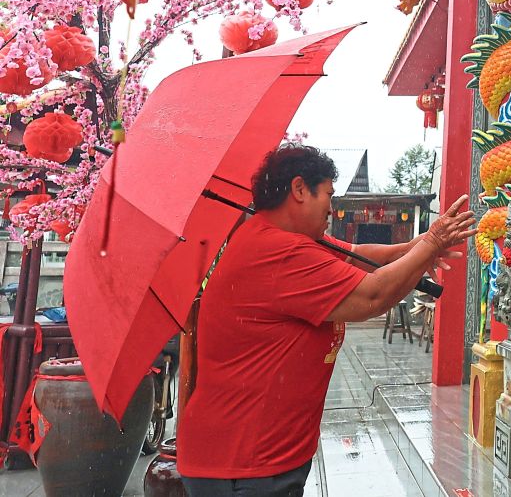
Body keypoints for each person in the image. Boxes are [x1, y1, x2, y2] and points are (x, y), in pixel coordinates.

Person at [177, 144, 476, 496]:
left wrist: (423, 245)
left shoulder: (291, 239)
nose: (332, 209)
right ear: (300, 189)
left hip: (262, 456)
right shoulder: (279, 251)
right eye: (328, 196)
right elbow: (372, 296)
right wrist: (434, 241)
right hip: (242, 464)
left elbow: (357, 257)